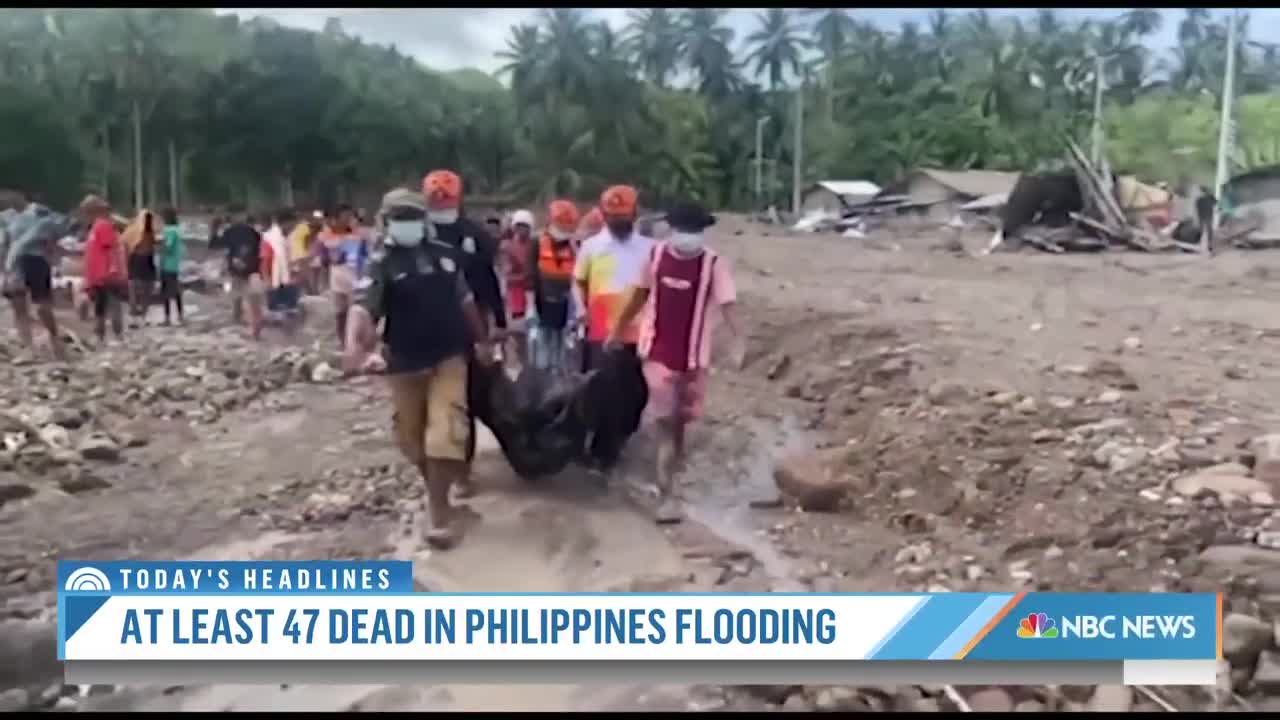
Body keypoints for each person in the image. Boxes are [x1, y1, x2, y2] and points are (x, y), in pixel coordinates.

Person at [345, 187, 494, 550]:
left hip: (448, 357)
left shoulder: (445, 257)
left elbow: (466, 301)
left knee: (444, 433)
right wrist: (353, 345)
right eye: (399, 217)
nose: (407, 224)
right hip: (404, 362)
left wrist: (483, 340)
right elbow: (363, 307)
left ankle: (440, 513)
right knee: (412, 441)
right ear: (385, 222)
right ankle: (440, 488)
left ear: (423, 220)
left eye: (413, 216)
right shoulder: (381, 263)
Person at [607, 200, 744, 523]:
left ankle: (669, 476)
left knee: (682, 425)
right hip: (658, 354)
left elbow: (729, 306)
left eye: (694, 231)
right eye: (684, 230)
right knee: (666, 422)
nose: (688, 237)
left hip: (695, 359)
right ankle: (665, 492)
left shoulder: (714, 265)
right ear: (671, 230)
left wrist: (739, 342)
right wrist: (617, 329)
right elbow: (638, 295)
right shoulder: (655, 257)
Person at [422, 169, 508, 498]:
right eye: (435, 199)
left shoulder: (475, 235)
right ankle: (438, 468)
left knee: (465, 400)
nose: (440, 203)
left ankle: (462, 471)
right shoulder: (419, 234)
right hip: (425, 327)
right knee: (432, 402)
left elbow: (488, 282)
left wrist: (498, 322)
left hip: (469, 327)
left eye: (444, 198)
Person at [574, 184, 654, 372]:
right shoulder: (591, 247)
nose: (618, 221)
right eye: (613, 217)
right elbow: (578, 281)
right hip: (600, 331)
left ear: (634, 213)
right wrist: (580, 307)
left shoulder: (651, 248)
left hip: (639, 334)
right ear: (604, 215)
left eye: (622, 216)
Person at [1, 192, 67, 360]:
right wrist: (5, 269)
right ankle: (28, 348)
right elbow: (6, 242)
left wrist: (54, 259)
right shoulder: (6, 217)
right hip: (14, 264)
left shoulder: (39, 212)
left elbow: (54, 234)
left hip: (36, 260)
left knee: (42, 307)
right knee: (19, 306)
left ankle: (54, 337)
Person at [526, 200, 579, 373]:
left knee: (562, 341)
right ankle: (542, 375)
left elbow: (580, 274)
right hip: (542, 301)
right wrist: (530, 305)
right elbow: (530, 274)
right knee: (543, 339)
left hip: (566, 302)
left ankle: (559, 372)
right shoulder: (537, 241)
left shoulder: (574, 245)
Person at [80, 194, 127, 344]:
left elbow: (111, 249)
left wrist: (113, 270)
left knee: (111, 305)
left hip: (106, 275)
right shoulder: (95, 227)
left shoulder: (103, 225)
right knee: (100, 307)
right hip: (98, 276)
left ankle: (116, 335)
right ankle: (101, 336)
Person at [319, 204, 367, 348]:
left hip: (355, 277)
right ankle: (343, 342)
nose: (348, 220)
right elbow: (323, 259)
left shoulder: (359, 236)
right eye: (344, 216)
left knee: (356, 311)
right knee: (340, 313)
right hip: (337, 278)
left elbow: (365, 255)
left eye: (350, 216)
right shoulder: (325, 237)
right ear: (336, 218)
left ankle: (355, 341)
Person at [222, 208, 266, 339]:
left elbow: (259, 250)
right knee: (240, 294)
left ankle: (254, 327)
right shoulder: (230, 232)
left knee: (251, 298)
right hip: (240, 269)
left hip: (251, 269)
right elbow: (224, 248)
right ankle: (240, 318)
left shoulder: (251, 232)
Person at [503, 209, 535, 360]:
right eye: (519, 226)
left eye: (525, 226)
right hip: (515, 296)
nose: (522, 230)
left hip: (533, 294)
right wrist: (526, 276)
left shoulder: (535, 245)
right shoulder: (506, 247)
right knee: (517, 334)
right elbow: (507, 276)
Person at [121, 209, 158, 318]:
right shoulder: (136, 229)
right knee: (136, 285)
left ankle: (142, 309)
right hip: (138, 258)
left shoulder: (148, 231)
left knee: (145, 286)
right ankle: (136, 308)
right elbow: (124, 241)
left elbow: (153, 244)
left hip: (145, 259)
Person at [262, 209, 296, 313]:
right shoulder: (269, 238)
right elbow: (264, 261)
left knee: (291, 312)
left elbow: (290, 259)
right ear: (284, 223)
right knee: (275, 314)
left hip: (288, 281)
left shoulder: (289, 237)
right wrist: (267, 280)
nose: (293, 227)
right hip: (273, 282)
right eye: (291, 224)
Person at [157, 207, 186, 325]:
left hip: (167, 264)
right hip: (176, 263)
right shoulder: (178, 229)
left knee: (166, 292)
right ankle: (180, 315)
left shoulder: (168, 231)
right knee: (176, 291)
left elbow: (167, 247)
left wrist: (160, 248)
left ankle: (167, 318)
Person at [289, 210, 323, 295]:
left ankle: (311, 291)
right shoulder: (303, 227)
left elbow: (310, 239)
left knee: (309, 275)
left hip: (307, 255)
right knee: (305, 276)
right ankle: (311, 291)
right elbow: (308, 240)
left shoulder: (304, 227)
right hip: (303, 255)